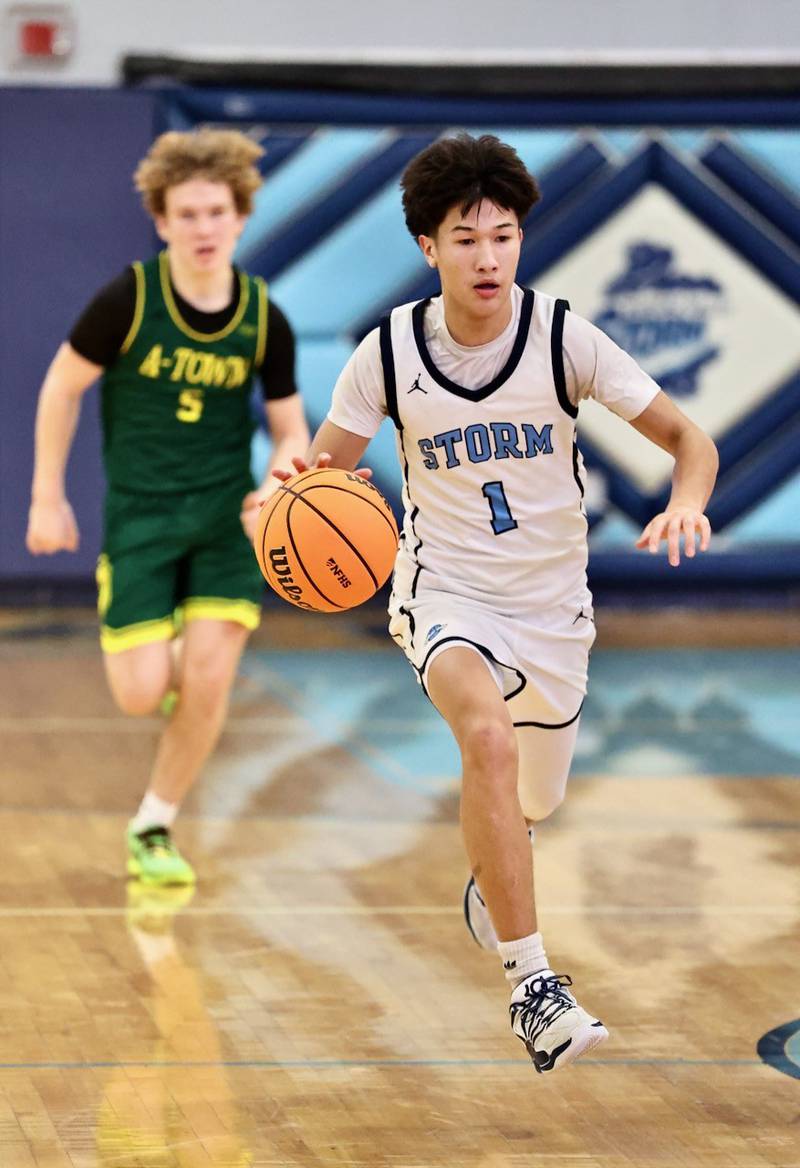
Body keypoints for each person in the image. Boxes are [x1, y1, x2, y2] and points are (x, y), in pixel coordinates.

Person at [276, 133, 719, 1074]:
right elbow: (321, 483)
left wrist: (686, 503)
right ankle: (534, 987)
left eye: (504, 236)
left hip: (554, 608)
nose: (488, 256)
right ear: (429, 247)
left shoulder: (562, 336)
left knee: (535, 798)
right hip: (445, 593)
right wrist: (282, 502)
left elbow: (691, 440)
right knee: (484, 736)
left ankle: (501, 864)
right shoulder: (388, 353)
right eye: (466, 238)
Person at [26, 129, 310, 887]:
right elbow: (61, 387)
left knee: (212, 677)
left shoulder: (262, 316)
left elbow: (289, 425)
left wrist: (284, 478)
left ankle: (154, 823)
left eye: (217, 211)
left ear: (241, 216)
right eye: (187, 214)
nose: (204, 228)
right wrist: (46, 494)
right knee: (140, 693)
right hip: (142, 518)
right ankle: (177, 661)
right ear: (161, 221)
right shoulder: (130, 297)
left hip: (224, 520)